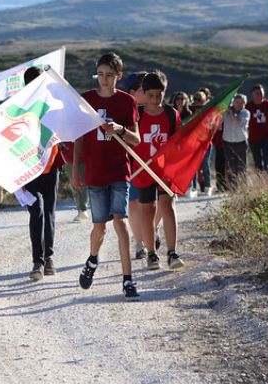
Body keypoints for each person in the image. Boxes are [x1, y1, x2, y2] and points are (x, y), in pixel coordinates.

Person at [72, 52, 141, 300]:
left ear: (118, 76)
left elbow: (136, 139)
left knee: (120, 222)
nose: (104, 79)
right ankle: (92, 260)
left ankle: (128, 280)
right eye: (100, 74)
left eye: (109, 75)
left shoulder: (127, 102)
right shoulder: (87, 100)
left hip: (120, 170)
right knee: (99, 226)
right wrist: (75, 169)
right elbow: (79, 138)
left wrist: (120, 130)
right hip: (95, 170)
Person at [132, 71, 185, 270]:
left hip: (165, 170)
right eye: (151, 95)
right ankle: (152, 254)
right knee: (148, 210)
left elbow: (177, 141)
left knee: (167, 205)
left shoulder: (171, 114)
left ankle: (172, 252)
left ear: (164, 93)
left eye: (159, 95)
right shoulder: (137, 114)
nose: (155, 100)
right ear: (144, 94)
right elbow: (130, 139)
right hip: (143, 170)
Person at [21, 66, 64, 281]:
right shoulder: (20, 107)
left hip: (52, 164)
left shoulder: (52, 102)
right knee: (36, 211)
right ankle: (37, 261)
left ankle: (49, 258)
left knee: (49, 212)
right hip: (29, 169)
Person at [120, 71, 151, 261]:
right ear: (132, 92)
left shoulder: (155, 110)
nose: (147, 92)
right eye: (143, 89)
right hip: (131, 164)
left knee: (152, 204)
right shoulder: (125, 111)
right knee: (133, 204)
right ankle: (140, 244)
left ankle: (151, 232)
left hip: (151, 164)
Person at [245, 84, 268, 174]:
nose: (259, 95)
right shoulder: (248, 106)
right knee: (257, 161)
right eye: (257, 93)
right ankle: (260, 179)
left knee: (267, 159)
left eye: (261, 93)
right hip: (253, 138)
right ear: (252, 94)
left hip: (267, 137)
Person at [222, 93, 250, 189]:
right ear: (233, 102)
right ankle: (233, 188)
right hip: (228, 143)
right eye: (237, 102)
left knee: (241, 167)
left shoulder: (245, 113)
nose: (239, 105)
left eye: (242, 103)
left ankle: (243, 187)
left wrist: (230, 112)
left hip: (241, 143)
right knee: (231, 166)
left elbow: (237, 121)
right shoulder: (225, 112)